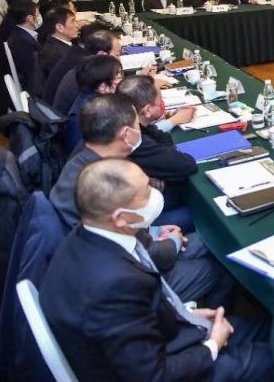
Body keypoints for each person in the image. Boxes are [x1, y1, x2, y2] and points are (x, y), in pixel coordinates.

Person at [41, 159, 273, 382]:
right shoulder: (116, 286)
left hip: (168, 332)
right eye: (146, 192)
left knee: (272, 329)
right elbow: (154, 376)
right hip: (175, 365)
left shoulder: (85, 236)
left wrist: (184, 314)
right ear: (120, 218)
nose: (154, 194)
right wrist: (212, 345)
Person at [52, 96, 235, 306]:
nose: (141, 129)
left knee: (214, 240)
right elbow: (138, 253)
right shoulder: (101, 182)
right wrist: (172, 243)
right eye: (137, 125)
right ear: (126, 134)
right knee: (222, 263)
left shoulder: (88, 158)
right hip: (134, 278)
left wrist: (155, 232)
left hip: (136, 243)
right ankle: (210, 322)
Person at [117, 76, 198, 224]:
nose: (162, 103)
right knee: (199, 214)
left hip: (134, 203)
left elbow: (159, 134)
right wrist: (167, 151)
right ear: (148, 110)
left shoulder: (125, 123)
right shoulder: (136, 141)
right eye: (159, 100)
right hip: (140, 218)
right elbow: (187, 164)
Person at [48, 24, 120, 110]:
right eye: (117, 55)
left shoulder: (83, 62)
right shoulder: (88, 75)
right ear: (102, 55)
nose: (119, 59)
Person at [64, 55, 124, 154]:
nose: (121, 81)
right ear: (102, 86)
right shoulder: (98, 113)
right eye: (118, 77)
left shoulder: (85, 97)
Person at [5, 0, 44, 95]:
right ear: (30, 18)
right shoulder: (22, 42)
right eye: (38, 14)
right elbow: (34, 75)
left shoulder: (20, 33)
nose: (39, 17)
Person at [37, 6, 80, 76]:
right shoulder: (59, 55)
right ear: (59, 27)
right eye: (72, 21)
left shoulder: (55, 44)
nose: (77, 25)